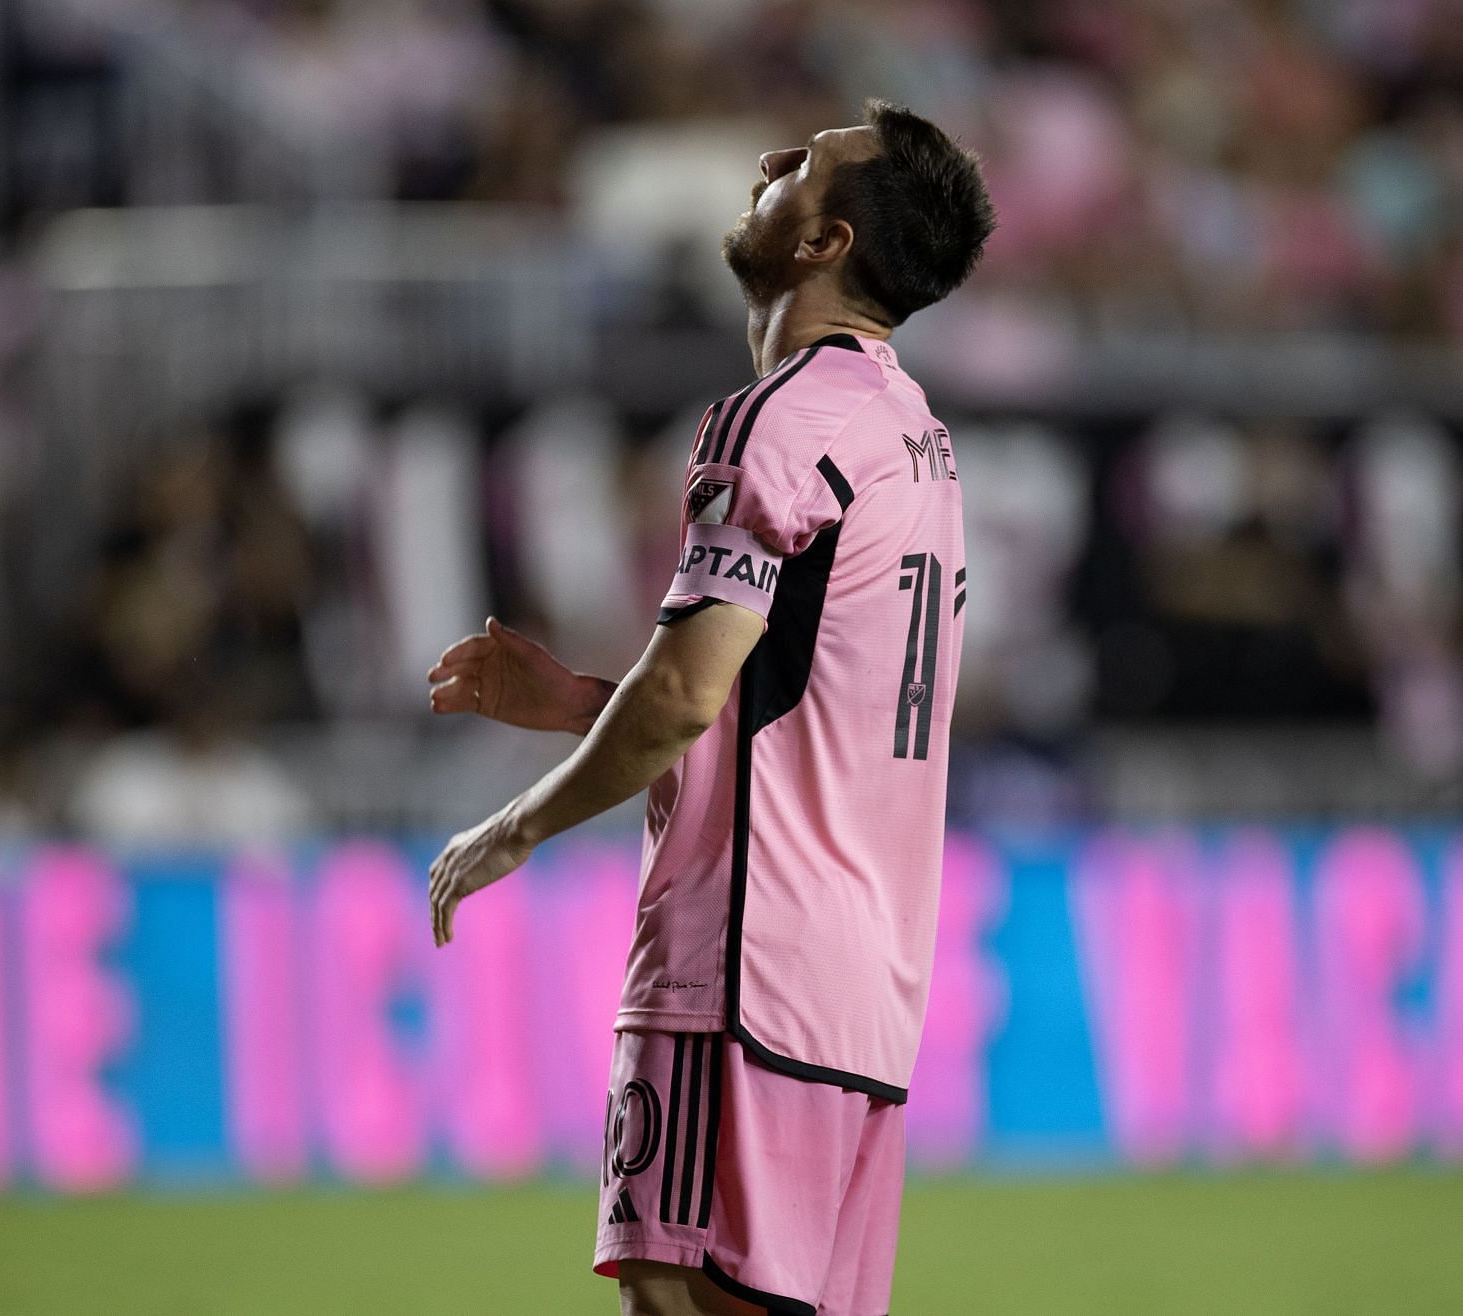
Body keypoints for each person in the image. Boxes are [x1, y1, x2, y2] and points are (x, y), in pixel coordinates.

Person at [424, 100, 995, 1316]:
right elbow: (779, 701)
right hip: (862, 1004)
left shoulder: (776, 421)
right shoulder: (914, 436)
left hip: (740, 976)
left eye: (806, 164)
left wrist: (512, 825)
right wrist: (586, 701)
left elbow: (685, 697)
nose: (769, 164)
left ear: (825, 241)